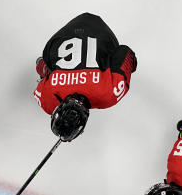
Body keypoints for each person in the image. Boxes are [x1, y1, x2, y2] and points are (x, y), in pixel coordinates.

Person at [33, 12, 138, 142]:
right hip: (65, 34)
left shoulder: (109, 95)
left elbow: (125, 52)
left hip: (101, 33)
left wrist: (128, 69)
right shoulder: (47, 101)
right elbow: (43, 70)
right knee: (47, 64)